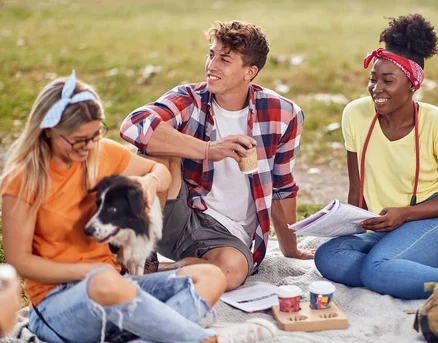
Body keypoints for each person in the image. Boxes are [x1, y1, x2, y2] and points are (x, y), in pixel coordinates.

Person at [0, 72, 279, 343]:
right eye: (78, 140)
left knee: (210, 275)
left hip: (118, 288)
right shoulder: (23, 180)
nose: (88, 146)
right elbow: (19, 262)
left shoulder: (100, 153)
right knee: (105, 283)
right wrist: (89, 273)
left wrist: (149, 182)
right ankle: (204, 339)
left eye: (95, 135)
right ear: (48, 131)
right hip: (58, 308)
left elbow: (161, 169)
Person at [120, 21, 314, 291]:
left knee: (230, 273)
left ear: (250, 72)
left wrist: (290, 249)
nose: (211, 66)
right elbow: (134, 125)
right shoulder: (190, 98)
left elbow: (282, 187)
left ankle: (164, 270)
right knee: (151, 150)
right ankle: (143, 257)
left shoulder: (284, 114)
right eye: (211, 55)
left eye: (224, 59)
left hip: (226, 236)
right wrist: (209, 150)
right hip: (180, 213)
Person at [314, 14, 438, 300]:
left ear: (413, 85)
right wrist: (352, 223)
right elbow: (357, 187)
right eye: (373, 79)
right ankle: (402, 271)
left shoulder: (437, 121)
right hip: (386, 227)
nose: (377, 89)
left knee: (375, 269)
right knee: (328, 256)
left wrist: (406, 214)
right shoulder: (355, 114)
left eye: (388, 81)